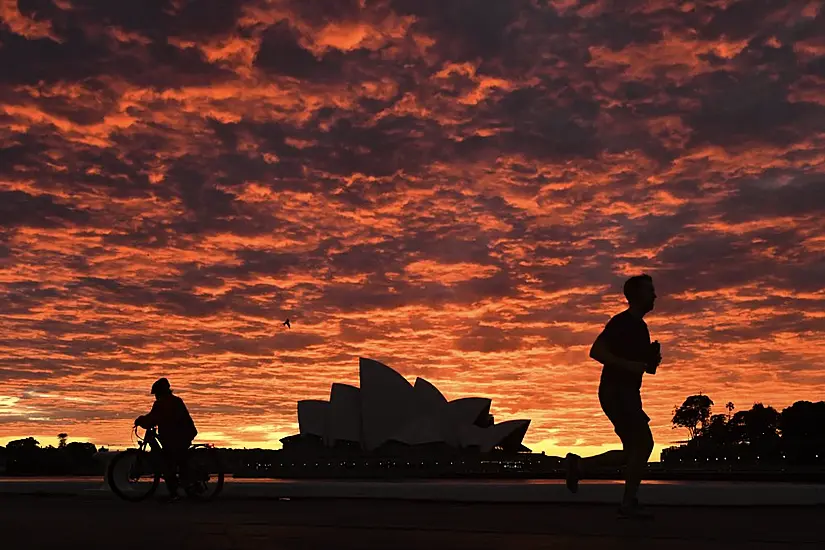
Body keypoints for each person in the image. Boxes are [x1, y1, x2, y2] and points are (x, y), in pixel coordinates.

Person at [584, 274, 661, 519]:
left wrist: (650, 361)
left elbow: (642, 367)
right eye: (650, 291)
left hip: (626, 393)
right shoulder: (622, 322)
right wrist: (629, 365)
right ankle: (629, 503)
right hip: (617, 392)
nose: (655, 295)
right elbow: (596, 351)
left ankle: (579, 466)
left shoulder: (640, 327)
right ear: (637, 295)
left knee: (632, 451)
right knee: (644, 444)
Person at [135, 378, 198, 501]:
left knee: (168, 463)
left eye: (156, 394)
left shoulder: (163, 403)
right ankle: (180, 487)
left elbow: (152, 418)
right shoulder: (176, 401)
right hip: (183, 434)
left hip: (177, 436)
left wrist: (140, 420)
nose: (155, 397)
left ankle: (175, 493)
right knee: (172, 460)